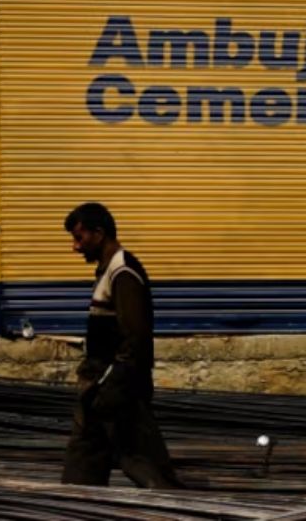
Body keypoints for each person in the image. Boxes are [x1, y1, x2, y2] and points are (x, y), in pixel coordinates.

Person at [60, 202, 183, 488]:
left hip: (119, 391)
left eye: (79, 238)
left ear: (99, 233)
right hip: (100, 388)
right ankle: (77, 502)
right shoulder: (109, 270)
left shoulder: (124, 273)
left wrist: (110, 387)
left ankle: (174, 505)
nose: (75, 247)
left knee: (144, 464)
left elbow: (135, 338)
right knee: (83, 463)